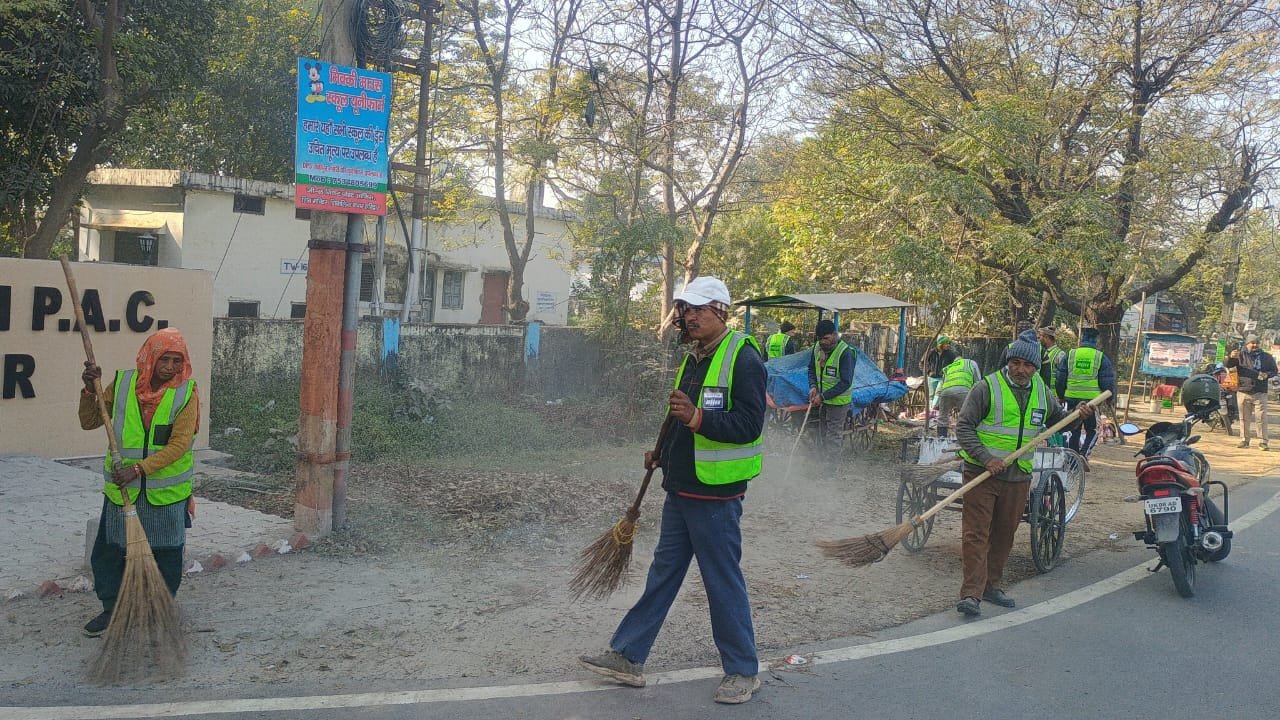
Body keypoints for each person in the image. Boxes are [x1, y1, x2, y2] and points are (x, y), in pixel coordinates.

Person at [579, 276, 766, 705]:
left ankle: (743, 671)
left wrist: (698, 419)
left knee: (722, 581)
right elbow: (680, 415)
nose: (690, 316)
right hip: (681, 488)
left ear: (721, 310)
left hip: (716, 495)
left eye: (699, 309)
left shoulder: (743, 357)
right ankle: (628, 656)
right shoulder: (695, 357)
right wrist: (662, 452)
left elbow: (748, 425)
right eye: (686, 309)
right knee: (662, 575)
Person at [954, 330, 1091, 616]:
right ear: (1008, 362)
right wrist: (986, 458)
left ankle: (992, 586)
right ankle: (971, 594)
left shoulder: (1042, 391)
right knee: (976, 534)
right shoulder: (986, 388)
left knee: (1005, 534)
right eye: (1016, 363)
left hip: (1018, 476)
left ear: (1036, 368)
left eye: (1028, 365)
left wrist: (1077, 416)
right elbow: (964, 427)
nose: (1021, 369)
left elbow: (1059, 422)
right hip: (981, 473)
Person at [78, 328, 199, 637]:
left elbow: (179, 445)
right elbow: (89, 421)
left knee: (167, 554)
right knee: (110, 552)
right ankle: (112, 609)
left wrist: (139, 469)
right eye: (164, 359)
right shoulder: (121, 384)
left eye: (177, 361)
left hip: (166, 493)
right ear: (149, 357)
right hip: (123, 492)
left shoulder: (186, 392)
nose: (170, 368)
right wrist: (89, 389)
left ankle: (159, 608)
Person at [1055, 327, 1116, 456]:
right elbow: (1107, 381)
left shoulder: (1070, 354)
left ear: (1081, 339)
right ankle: (1083, 455)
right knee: (1092, 430)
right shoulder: (1100, 357)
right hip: (1092, 401)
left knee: (1073, 428)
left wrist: (1061, 396)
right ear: (1096, 340)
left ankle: (1073, 457)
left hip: (1071, 398)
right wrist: (1109, 398)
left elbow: (1060, 378)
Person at [807, 318, 856, 453]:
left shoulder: (845, 353)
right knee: (823, 434)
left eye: (826, 338)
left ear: (834, 335)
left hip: (838, 403)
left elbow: (846, 382)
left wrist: (822, 396)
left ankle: (831, 467)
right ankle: (823, 461)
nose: (823, 342)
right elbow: (811, 369)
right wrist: (813, 386)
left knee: (833, 437)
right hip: (824, 401)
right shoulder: (817, 348)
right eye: (820, 339)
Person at [1226, 334, 1276, 450]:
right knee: (1244, 418)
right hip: (1243, 391)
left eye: (1256, 343)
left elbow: (1274, 370)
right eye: (1252, 343)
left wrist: (1267, 375)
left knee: (1261, 418)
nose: (1254, 345)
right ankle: (1245, 440)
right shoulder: (1240, 355)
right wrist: (1231, 357)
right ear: (1247, 344)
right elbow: (1229, 365)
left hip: (1260, 392)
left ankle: (1263, 442)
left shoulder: (1267, 357)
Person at [935, 355, 980, 439]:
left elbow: (941, 385)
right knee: (967, 416)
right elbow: (977, 382)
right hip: (963, 390)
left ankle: (941, 439)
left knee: (942, 417)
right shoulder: (970, 363)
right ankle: (966, 439)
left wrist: (937, 403)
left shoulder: (949, 367)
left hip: (946, 392)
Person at [920, 336, 959, 408]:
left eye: (948, 343)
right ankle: (931, 411)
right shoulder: (930, 352)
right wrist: (928, 372)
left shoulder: (950, 354)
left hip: (942, 378)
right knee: (931, 396)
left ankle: (933, 409)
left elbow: (955, 364)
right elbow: (922, 364)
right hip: (931, 378)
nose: (948, 345)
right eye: (946, 343)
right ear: (940, 344)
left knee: (938, 393)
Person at [1038, 326, 1066, 401]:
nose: (1039, 338)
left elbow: (1061, 378)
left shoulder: (1060, 354)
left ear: (1046, 337)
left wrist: (1060, 396)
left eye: (1040, 336)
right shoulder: (1041, 352)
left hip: (1053, 397)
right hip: (1042, 394)